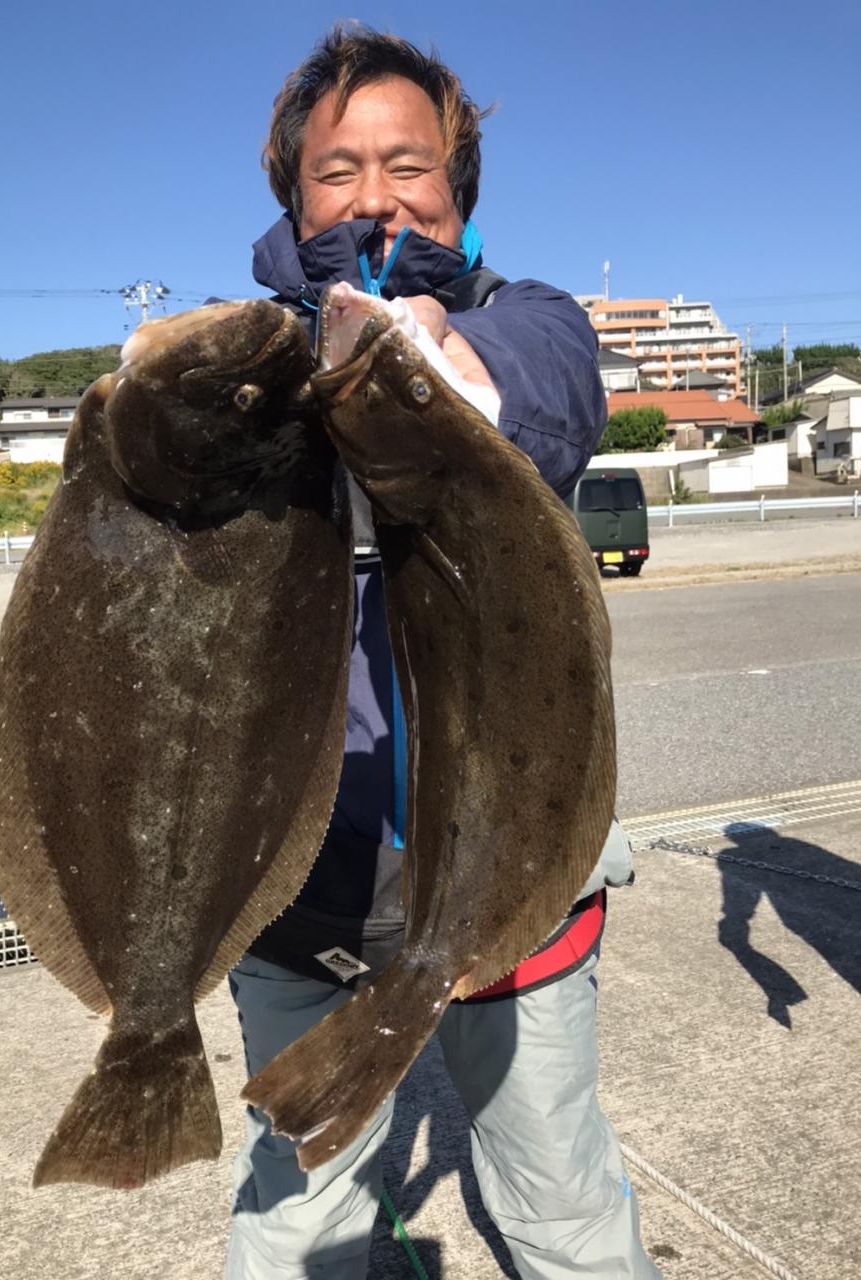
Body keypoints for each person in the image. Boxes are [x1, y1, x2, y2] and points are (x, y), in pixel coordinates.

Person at [225, 24, 661, 1280]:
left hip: (517, 881)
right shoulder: (247, 362)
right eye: (337, 169)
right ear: (294, 195)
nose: (375, 195)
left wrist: (439, 366)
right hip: (301, 897)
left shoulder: (529, 320)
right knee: (299, 1216)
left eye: (408, 164)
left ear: (457, 186)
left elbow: (545, 389)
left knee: (563, 1200)